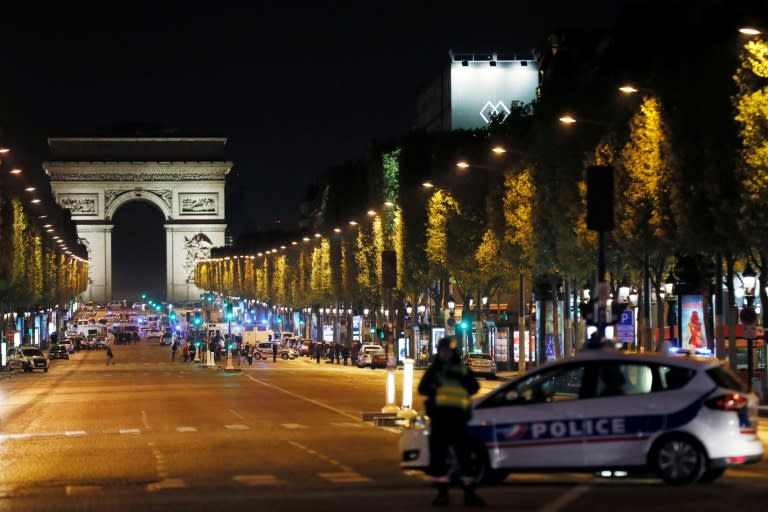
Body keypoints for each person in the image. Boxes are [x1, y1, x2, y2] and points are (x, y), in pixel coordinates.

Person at [418, 336, 483, 507]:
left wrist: (459, 378)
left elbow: (474, 387)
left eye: (448, 351)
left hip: (459, 420)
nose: (445, 354)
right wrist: (434, 385)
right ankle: (442, 494)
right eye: (442, 351)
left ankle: (470, 494)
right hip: (440, 420)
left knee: (464, 458)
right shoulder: (435, 370)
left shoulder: (461, 370)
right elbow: (422, 388)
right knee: (440, 458)